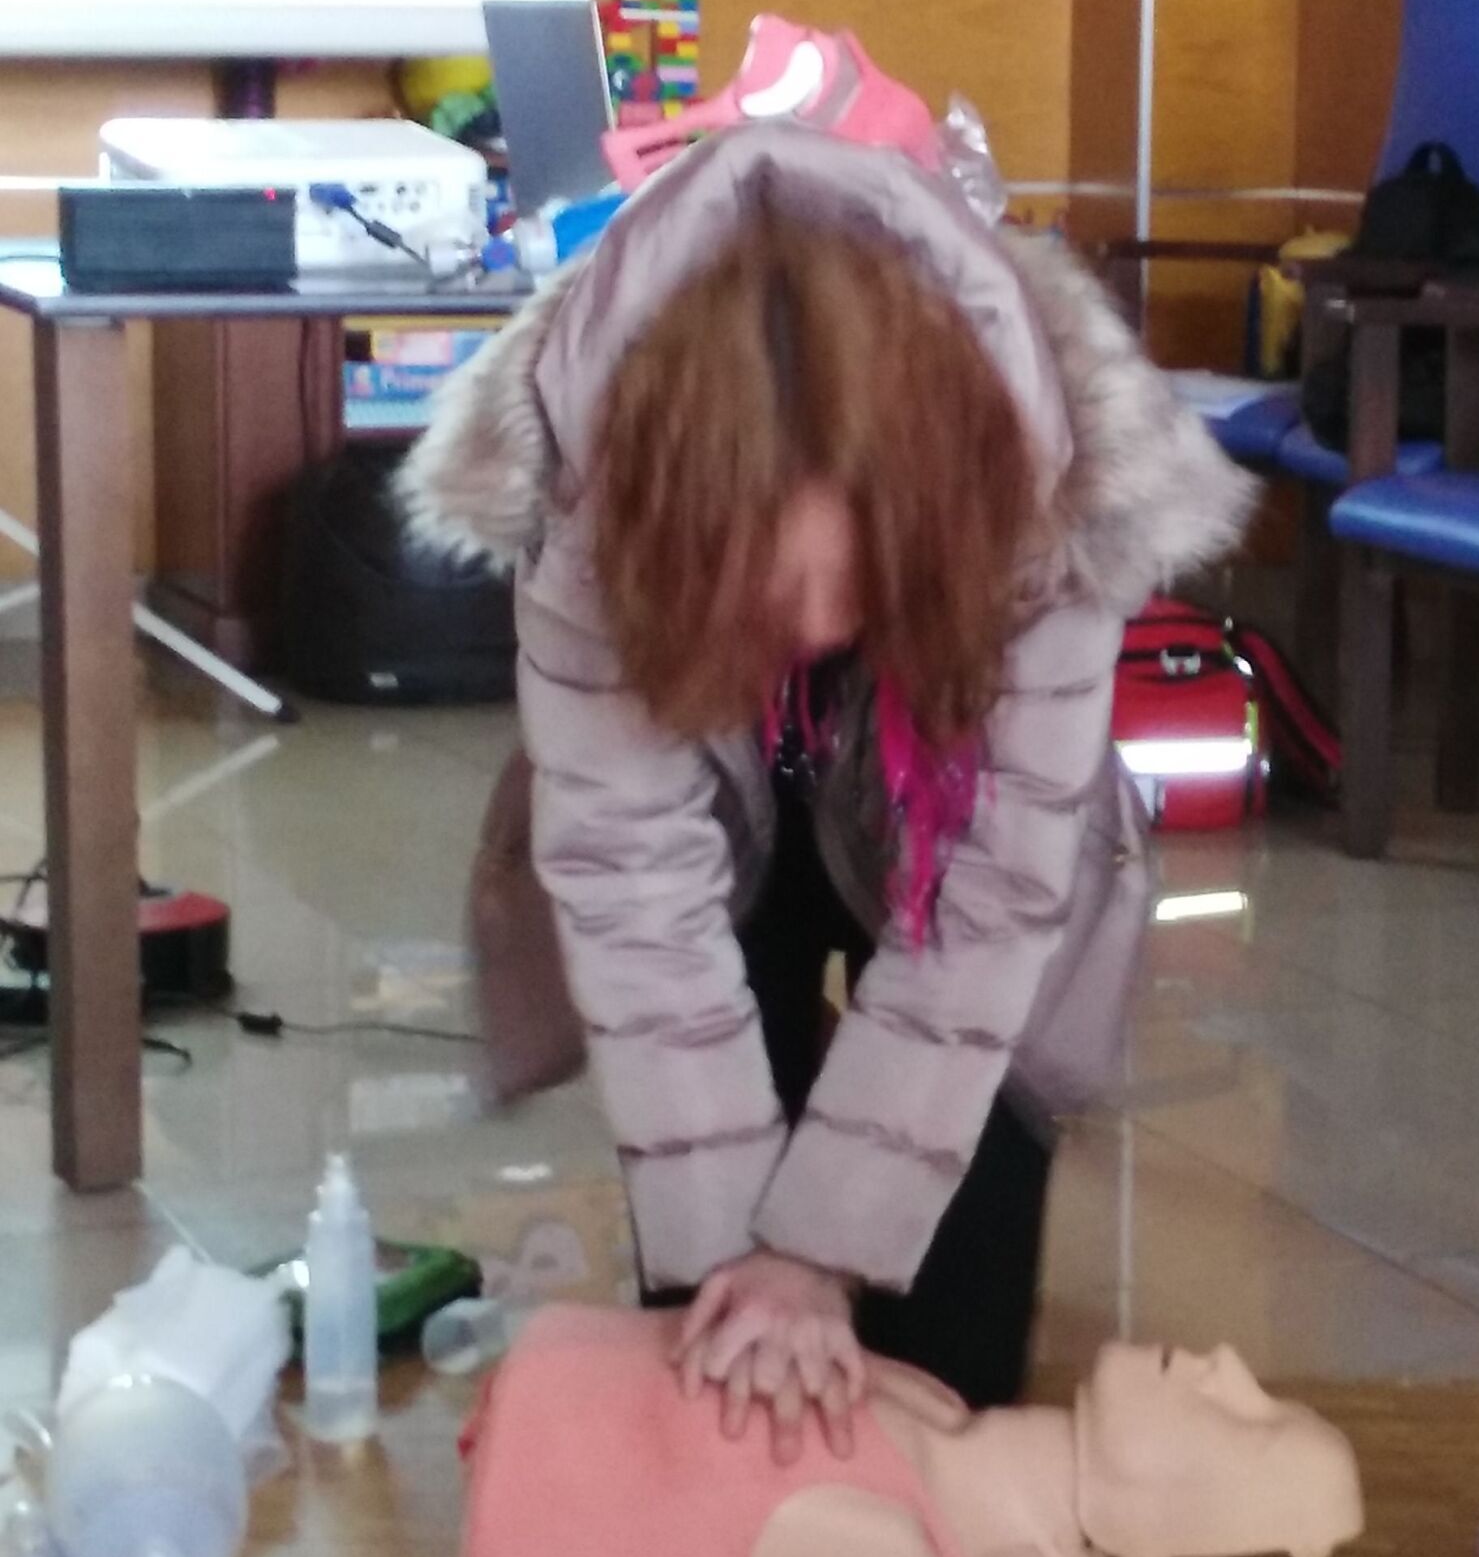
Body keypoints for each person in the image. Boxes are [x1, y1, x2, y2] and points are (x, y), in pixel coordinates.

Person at [404, 120, 1249, 1430]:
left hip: (957, 835)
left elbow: (995, 901)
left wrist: (827, 1245)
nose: (810, 631)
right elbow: (633, 884)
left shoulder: (1053, 485)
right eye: (761, 590)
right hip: (710, 823)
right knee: (723, 1344)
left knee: (950, 1372)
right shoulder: (586, 486)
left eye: (854, 582)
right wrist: (741, 1257)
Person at [461, 1309, 1366, 1557]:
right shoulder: (936, 1412)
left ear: (1159, 1531)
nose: (1225, 1363)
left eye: (1252, 1425)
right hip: (547, 1389)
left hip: (531, 1471)